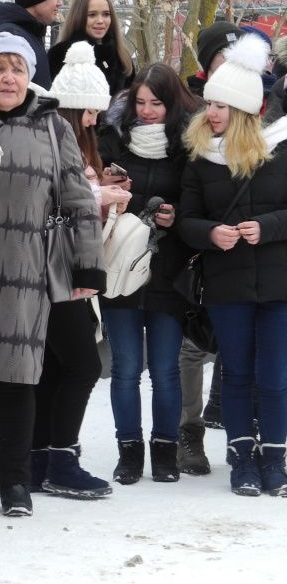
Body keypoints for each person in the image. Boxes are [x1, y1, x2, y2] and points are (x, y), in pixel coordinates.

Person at [0, 32, 104, 517]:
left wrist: (87, 264)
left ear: (30, 75)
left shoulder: (53, 127)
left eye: (17, 68)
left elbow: (78, 202)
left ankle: (14, 481)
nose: (7, 77)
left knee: (16, 378)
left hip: (24, 269)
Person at [178, 33, 287, 498]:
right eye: (208, 104)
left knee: (276, 377)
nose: (211, 113)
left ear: (243, 109)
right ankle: (242, 457)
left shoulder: (281, 151)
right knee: (238, 373)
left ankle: (275, 459)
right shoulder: (201, 157)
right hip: (227, 285)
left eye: (221, 105)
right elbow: (185, 219)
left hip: (279, 283)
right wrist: (209, 234)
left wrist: (269, 226)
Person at [98, 63, 200, 484]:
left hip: (168, 271)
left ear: (172, 103)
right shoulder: (114, 141)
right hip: (121, 270)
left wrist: (176, 216)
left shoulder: (188, 148)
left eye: (155, 103)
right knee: (124, 368)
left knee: (165, 369)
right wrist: (112, 193)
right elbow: (96, 200)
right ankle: (129, 450)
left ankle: (164, 449)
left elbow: (198, 206)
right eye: (139, 102)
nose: (146, 111)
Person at [31, 41, 125, 499]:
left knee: (55, 365)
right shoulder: (51, 140)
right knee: (83, 365)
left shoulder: (73, 142)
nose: (94, 120)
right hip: (57, 271)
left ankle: (39, 458)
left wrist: (99, 190)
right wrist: (97, 197)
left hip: (64, 268)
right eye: (88, 112)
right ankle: (60, 459)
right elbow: (52, 202)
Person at [177, 20, 246, 474]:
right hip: (201, 251)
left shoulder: (259, 110)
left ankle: (251, 436)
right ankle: (190, 431)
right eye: (224, 56)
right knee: (192, 347)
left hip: (251, 248)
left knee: (246, 349)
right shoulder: (193, 118)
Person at [47, 0, 134, 95]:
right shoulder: (59, 54)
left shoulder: (121, 55)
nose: (100, 21)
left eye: (106, 14)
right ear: (79, 17)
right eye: (92, 15)